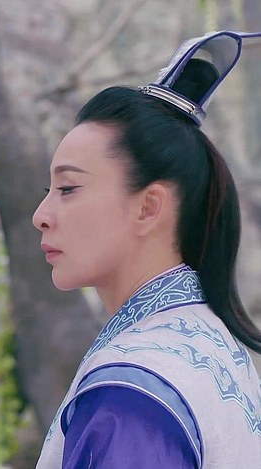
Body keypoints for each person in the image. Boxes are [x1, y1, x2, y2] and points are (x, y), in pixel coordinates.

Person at [33, 31, 261, 468]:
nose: (40, 216)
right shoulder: (215, 347)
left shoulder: (132, 390)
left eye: (68, 188)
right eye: (49, 191)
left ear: (149, 207)